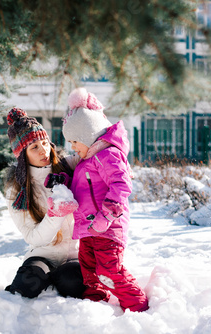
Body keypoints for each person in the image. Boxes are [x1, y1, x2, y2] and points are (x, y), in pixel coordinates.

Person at [60, 87, 149, 312]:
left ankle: (137, 307)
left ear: (87, 136)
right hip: (89, 229)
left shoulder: (107, 155)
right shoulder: (87, 159)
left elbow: (121, 186)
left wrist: (105, 218)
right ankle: (95, 306)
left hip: (107, 229)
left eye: (74, 142)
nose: (72, 148)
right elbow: (79, 182)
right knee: (89, 271)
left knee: (109, 270)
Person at [4, 107, 86, 299]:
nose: (44, 151)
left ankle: (58, 280)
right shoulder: (17, 190)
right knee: (26, 285)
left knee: (73, 283)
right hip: (43, 254)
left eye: (44, 143)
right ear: (22, 155)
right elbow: (33, 237)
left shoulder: (68, 167)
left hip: (73, 254)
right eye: (34, 147)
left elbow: (95, 151)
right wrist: (55, 215)